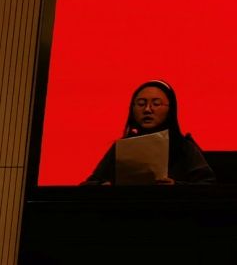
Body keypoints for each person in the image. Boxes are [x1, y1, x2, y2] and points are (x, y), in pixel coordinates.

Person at [82, 79, 215, 185]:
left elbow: (208, 184)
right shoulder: (122, 147)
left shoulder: (183, 147)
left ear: (170, 110)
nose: (147, 110)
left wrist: (176, 186)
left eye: (156, 104)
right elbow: (89, 183)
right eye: (141, 104)